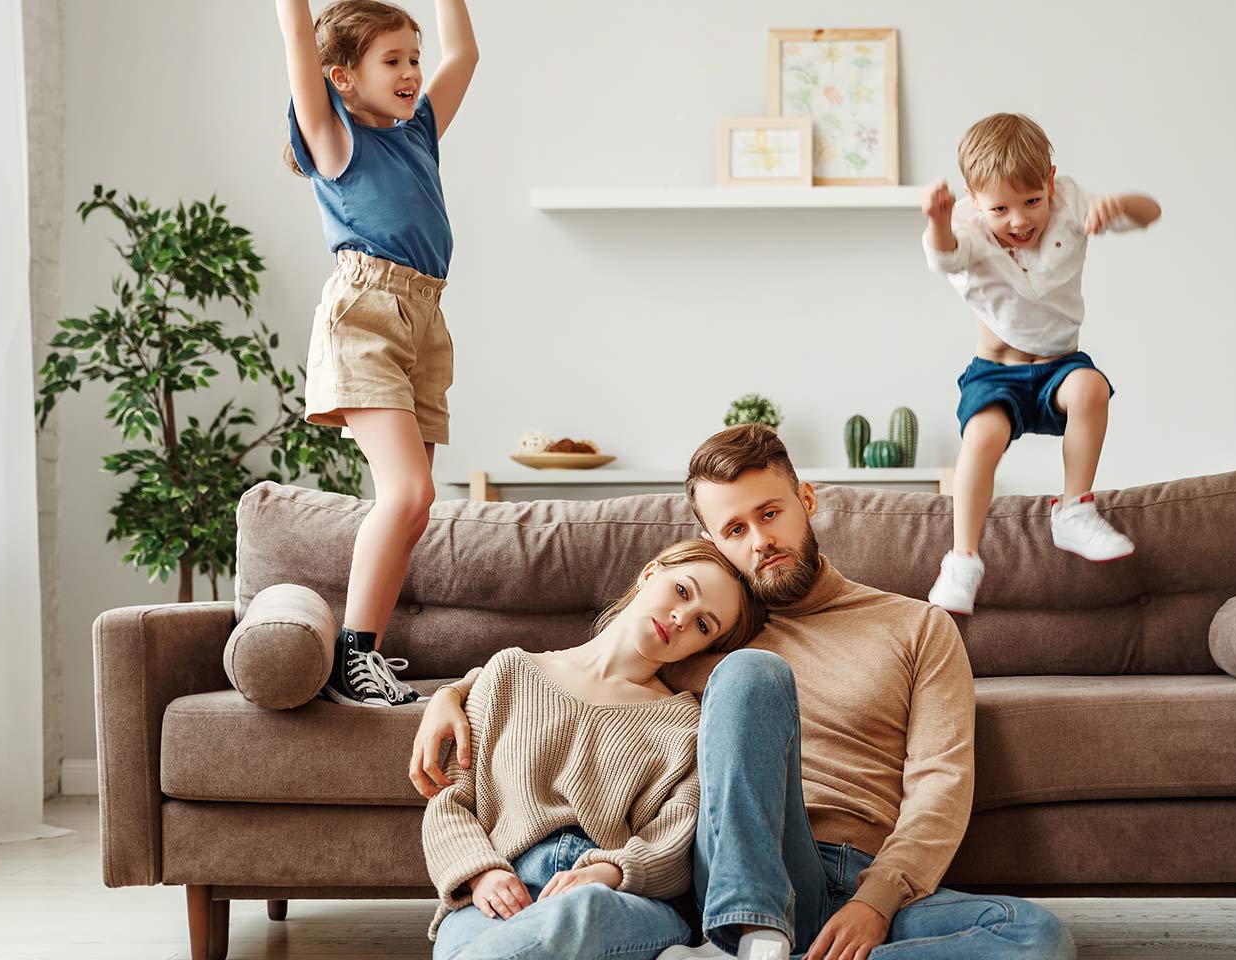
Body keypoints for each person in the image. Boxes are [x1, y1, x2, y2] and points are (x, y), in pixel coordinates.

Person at [413, 426, 1077, 960]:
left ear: (806, 500)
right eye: (735, 530)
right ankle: (753, 935)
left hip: (860, 878)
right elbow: (583, 683)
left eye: (771, 514)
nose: (761, 542)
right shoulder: (710, 637)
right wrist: (457, 692)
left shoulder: (917, 627)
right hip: (734, 871)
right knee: (753, 675)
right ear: (710, 542)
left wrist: (876, 902)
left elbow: (939, 786)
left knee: (1036, 939)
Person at [423, 539, 766, 960]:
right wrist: (481, 873)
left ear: (703, 647)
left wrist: (610, 870)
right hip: (504, 882)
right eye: (682, 591)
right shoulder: (508, 672)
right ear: (650, 573)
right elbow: (451, 802)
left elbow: (675, 838)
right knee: (467, 948)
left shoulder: (686, 726)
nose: (680, 618)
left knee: (578, 913)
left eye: (702, 625)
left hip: (617, 897)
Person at [275, 0, 478, 705]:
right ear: (343, 77)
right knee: (409, 492)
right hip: (365, 313)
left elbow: (466, 56)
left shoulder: (418, 131)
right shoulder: (334, 140)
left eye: (412, 59)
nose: (411, 73)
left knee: (414, 509)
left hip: (425, 319)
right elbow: (298, 40)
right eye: (391, 61)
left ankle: (366, 653)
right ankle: (350, 653)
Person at [922, 112, 1162, 615]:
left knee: (1091, 389)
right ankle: (962, 560)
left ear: (1050, 181)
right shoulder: (964, 225)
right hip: (996, 372)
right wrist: (938, 221)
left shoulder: (1072, 202)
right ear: (973, 198)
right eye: (1000, 208)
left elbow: (1150, 212)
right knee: (982, 439)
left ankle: (1073, 510)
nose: (1019, 221)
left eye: (1032, 201)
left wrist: (1121, 206)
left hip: (1058, 366)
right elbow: (944, 257)